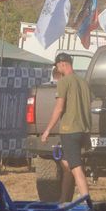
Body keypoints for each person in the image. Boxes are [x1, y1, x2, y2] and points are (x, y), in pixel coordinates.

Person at [39, 52, 92, 202]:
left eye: (57, 66)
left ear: (62, 64)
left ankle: (87, 202)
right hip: (83, 130)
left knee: (76, 168)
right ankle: (63, 200)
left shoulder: (64, 82)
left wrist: (47, 130)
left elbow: (59, 108)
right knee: (67, 164)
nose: (57, 69)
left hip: (70, 130)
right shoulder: (83, 82)